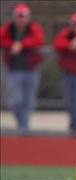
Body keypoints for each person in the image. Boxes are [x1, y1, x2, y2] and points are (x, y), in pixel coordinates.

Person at [0, 3, 44, 134]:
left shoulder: (33, 28)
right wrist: (12, 45)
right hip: (14, 70)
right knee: (15, 100)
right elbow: (2, 39)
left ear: (28, 17)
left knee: (28, 100)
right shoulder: (8, 29)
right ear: (14, 17)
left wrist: (22, 45)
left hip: (31, 70)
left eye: (23, 16)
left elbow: (38, 39)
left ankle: (23, 127)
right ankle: (21, 123)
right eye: (19, 16)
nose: (21, 19)